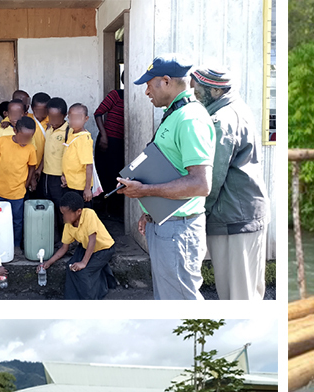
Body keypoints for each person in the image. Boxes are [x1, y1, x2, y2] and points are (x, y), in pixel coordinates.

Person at [118, 56, 216, 299]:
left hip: (178, 229)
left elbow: (200, 184)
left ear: (166, 81)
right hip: (166, 224)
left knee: (180, 305)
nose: (146, 92)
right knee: (169, 302)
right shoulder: (174, 115)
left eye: (149, 84)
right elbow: (171, 169)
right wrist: (150, 209)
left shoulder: (190, 119)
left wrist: (144, 192)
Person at [192, 66, 269, 300]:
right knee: (250, 293)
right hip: (246, 213)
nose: (194, 97)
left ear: (215, 92)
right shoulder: (238, 108)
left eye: (197, 92)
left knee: (236, 297)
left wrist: (198, 213)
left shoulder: (221, 120)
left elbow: (211, 178)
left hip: (233, 219)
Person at [40, 191, 117, 298]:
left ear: (79, 211)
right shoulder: (68, 224)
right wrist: (48, 263)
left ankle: (91, 298)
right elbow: (64, 248)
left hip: (104, 249)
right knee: (70, 267)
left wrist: (84, 262)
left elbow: (92, 240)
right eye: (62, 213)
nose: (64, 217)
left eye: (66, 213)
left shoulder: (89, 214)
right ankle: (72, 299)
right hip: (86, 247)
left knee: (83, 272)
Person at [0, 118, 39, 256]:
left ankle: (16, 245)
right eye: (24, 136)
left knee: (17, 221)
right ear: (15, 131)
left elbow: (31, 168)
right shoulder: (2, 141)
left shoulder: (30, 149)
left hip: (17, 192)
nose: (26, 140)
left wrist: (26, 184)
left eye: (30, 137)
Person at [94, 87, 125, 217]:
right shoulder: (116, 94)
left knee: (116, 176)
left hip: (119, 143)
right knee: (104, 175)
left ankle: (113, 211)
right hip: (106, 141)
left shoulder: (135, 99)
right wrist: (104, 135)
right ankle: (102, 211)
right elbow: (98, 113)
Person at [61, 104, 96, 206]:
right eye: (71, 117)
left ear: (86, 119)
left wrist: (87, 189)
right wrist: (65, 176)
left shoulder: (84, 139)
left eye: (78, 118)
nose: (74, 121)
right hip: (70, 184)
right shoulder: (72, 133)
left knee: (82, 214)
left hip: (80, 187)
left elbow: (88, 165)